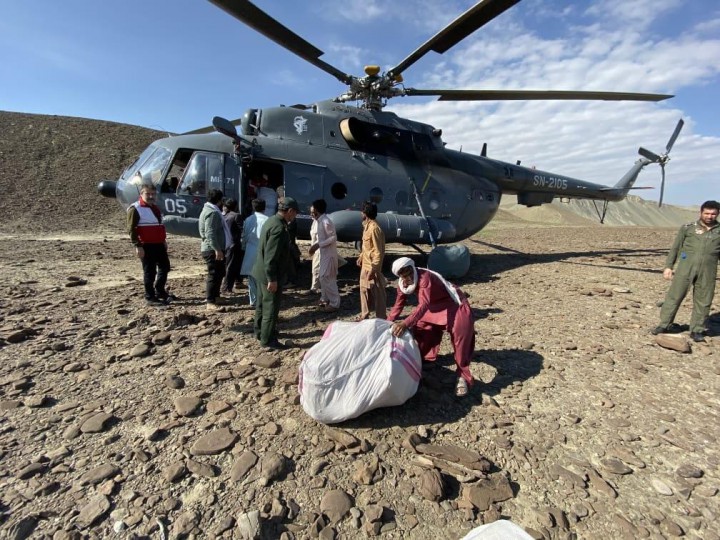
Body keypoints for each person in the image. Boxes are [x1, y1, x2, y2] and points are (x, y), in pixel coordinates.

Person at [388, 257, 476, 397]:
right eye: (404, 275)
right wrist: (387, 323)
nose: (409, 277)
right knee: (423, 329)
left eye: (410, 272)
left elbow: (423, 304)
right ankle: (426, 361)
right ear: (400, 276)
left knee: (461, 335)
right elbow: (398, 305)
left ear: (413, 268)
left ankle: (462, 376)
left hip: (453, 304)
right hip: (433, 306)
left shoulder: (424, 277)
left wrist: (405, 324)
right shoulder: (402, 285)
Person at [652, 200, 720, 342]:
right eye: (707, 213)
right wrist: (668, 267)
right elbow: (675, 248)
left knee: (704, 300)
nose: (709, 216)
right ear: (701, 212)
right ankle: (664, 325)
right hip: (685, 268)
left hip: (708, 271)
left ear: (717, 214)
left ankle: (697, 330)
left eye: (713, 214)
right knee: (674, 296)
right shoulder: (688, 228)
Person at [252, 197, 299, 350]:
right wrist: (272, 278)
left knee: (260, 306)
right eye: (295, 213)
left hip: (259, 272)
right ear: (290, 211)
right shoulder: (279, 228)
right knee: (270, 308)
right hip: (269, 275)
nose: (295, 216)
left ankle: (259, 332)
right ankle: (267, 340)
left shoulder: (271, 221)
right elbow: (271, 256)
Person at [127, 183, 173, 305]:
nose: (151, 196)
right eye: (148, 193)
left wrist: (163, 240)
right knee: (150, 271)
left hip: (158, 244)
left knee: (165, 267)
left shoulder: (155, 207)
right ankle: (150, 297)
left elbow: (159, 226)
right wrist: (137, 245)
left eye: (153, 194)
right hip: (146, 245)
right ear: (141, 194)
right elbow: (132, 229)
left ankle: (159, 290)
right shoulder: (135, 208)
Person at [199, 189, 232, 311]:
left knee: (219, 273)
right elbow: (210, 233)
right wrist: (217, 249)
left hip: (216, 248)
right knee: (213, 274)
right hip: (212, 249)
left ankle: (216, 296)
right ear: (219, 201)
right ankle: (210, 301)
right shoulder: (212, 213)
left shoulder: (211, 210)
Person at [309, 199, 340, 312]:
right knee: (322, 278)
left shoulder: (326, 221)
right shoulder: (317, 221)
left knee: (327, 278)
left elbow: (333, 238)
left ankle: (334, 303)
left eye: (313, 211)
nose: (311, 213)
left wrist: (318, 245)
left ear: (317, 210)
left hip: (329, 255)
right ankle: (324, 300)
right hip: (323, 255)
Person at [357, 201, 387, 320]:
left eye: (362, 211)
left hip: (372, 267)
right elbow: (367, 247)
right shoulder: (366, 226)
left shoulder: (374, 229)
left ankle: (381, 318)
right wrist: (361, 257)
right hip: (365, 265)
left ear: (365, 213)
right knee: (364, 290)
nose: (360, 214)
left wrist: (374, 269)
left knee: (378, 294)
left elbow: (378, 251)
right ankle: (365, 315)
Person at [240, 199, 268, 307]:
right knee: (261, 277)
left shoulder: (248, 219)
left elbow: (245, 236)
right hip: (262, 250)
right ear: (265, 207)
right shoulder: (267, 220)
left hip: (250, 249)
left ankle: (253, 300)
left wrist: (243, 248)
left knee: (251, 277)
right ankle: (261, 299)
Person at [221, 198, 244, 294]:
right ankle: (226, 288)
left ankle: (237, 281)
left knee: (231, 265)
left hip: (225, 244)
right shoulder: (236, 216)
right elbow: (242, 230)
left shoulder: (223, 215)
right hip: (234, 244)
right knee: (231, 266)